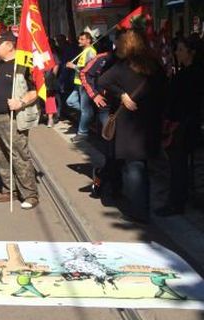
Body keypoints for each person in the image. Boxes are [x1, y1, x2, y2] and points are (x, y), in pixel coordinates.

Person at [99, 30, 165, 223]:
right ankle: (143, 205)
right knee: (142, 165)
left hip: (129, 124)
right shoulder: (154, 65)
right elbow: (163, 90)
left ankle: (139, 210)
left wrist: (121, 94)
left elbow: (102, 80)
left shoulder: (123, 66)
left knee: (134, 167)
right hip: (149, 122)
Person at [0, 34, 40, 209]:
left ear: (9, 45)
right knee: (0, 155)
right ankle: (11, 189)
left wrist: (21, 102)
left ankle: (30, 194)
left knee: (19, 154)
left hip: (11, 117)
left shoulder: (23, 65)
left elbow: (37, 90)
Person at [156, 38, 203, 216]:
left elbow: (174, 103)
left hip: (180, 127)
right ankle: (183, 197)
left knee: (178, 166)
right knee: (183, 165)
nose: (177, 52)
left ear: (192, 52)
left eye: (181, 49)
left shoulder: (186, 76)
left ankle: (176, 202)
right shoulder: (192, 73)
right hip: (190, 125)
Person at [80, 48, 120, 199]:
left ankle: (113, 185)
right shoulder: (102, 58)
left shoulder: (133, 58)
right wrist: (94, 95)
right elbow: (84, 73)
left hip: (125, 108)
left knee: (120, 150)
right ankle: (102, 180)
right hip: (106, 107)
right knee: (111, 147)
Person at [65, 32, 97, 142]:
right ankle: (89, 114)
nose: (79, 41)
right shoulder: (85, 51)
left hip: (85, 84)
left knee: (84, 109)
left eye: (82, 39)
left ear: (88, 40)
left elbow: (88, 69)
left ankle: (82, 132)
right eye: (79, 39)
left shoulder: (91, 52)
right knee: (70, 102)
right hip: (78, 83)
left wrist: (73, 66)